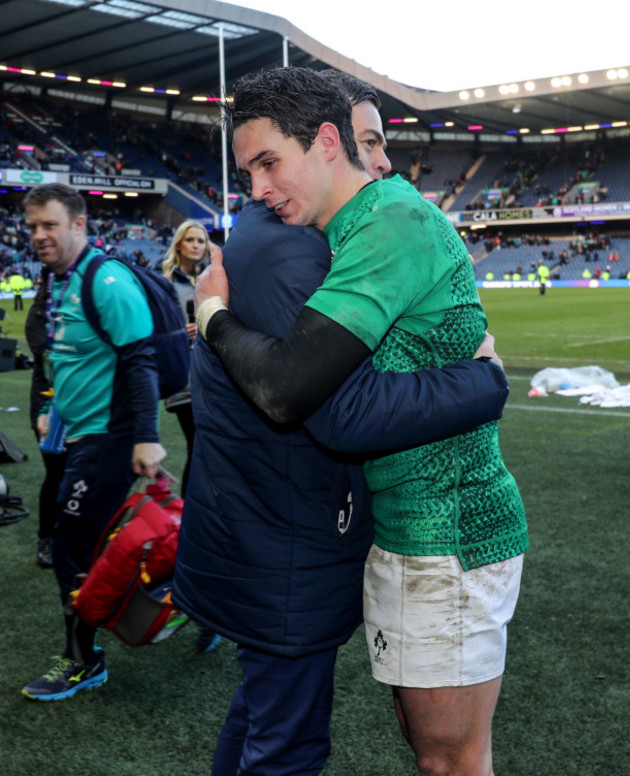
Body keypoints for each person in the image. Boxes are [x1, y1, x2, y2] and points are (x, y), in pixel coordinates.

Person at [173, 72, 513, 776]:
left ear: (325, 144)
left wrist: (210, 315)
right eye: (250, 171)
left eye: (269, 163)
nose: (258, 188)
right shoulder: (337, 229)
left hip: (447, 529)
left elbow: (299, 392)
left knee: (450, 760)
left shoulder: (389, 220)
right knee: (426, 754)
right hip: (402, 530)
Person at [20, 183, 166, 701]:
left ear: (79, 225)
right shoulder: (61, 279)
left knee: (69, 548)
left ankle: (84, 661)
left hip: (112, 436)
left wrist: (147, 438)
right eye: (34, 226)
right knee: (102, 541)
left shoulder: (106, 279)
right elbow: (68, 357)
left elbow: (140, 361)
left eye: (50, 225)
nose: (39, 235)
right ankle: (205, 602)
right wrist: (48, 410)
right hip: (81, 433)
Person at [159, 220, 209, 499]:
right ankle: (188, 508)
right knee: (197, 442)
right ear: (179, 243)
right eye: (190, 240)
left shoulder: (212, 276)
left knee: (208, 444)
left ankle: (199, 506)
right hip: (181, 373)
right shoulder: (164, 281)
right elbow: (150, 328)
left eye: (201, 241)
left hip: (209, 371)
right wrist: (179, 333)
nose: (196, 246)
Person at [24, 276, 67, 569]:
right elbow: (45, 356)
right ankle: (46, 540)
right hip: (48, 403)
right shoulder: (38, 313)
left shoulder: (86, 307)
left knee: (81, 474)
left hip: (85, 402)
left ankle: (73, 536)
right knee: (55, 475)